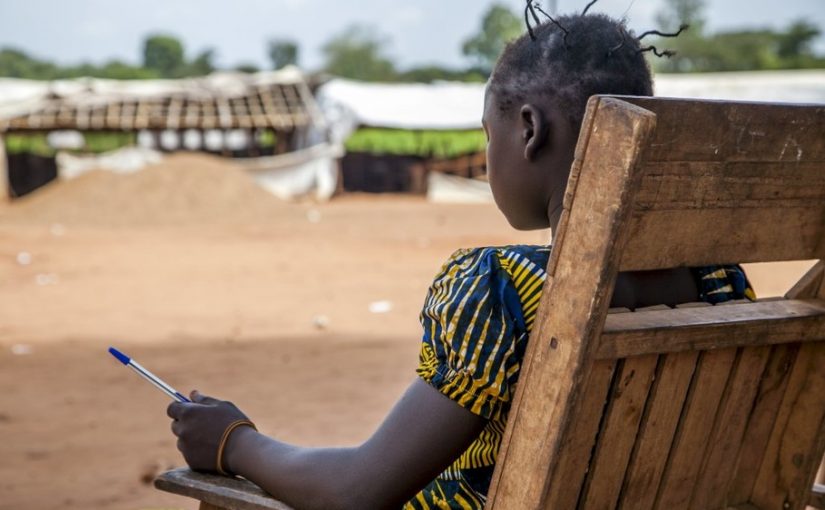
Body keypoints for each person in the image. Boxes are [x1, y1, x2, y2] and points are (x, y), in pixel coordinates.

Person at [167, 7, 754, 510]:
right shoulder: (720, 280)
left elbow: (358, 491)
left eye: (487, 133)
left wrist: (233, 442)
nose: (488, 151)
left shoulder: (501, 288)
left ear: (529, 130)